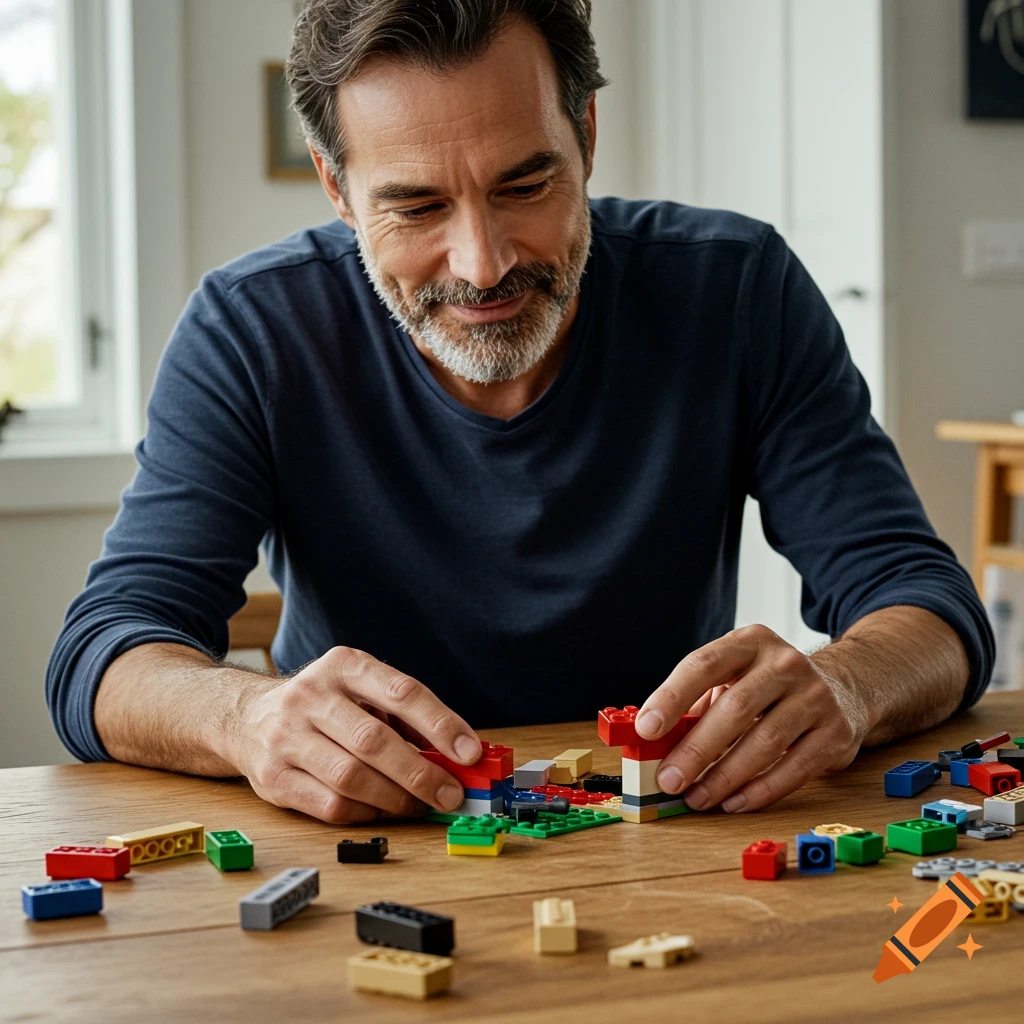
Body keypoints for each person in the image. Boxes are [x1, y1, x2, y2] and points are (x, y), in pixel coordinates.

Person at [47, 0, 992, 824]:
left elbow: (928, 604)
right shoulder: (250, 328)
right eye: (415, 207)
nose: (482, 262)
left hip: (666, 833)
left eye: (524, 185)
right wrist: (246, 718)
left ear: (585, 134)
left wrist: (846, 686)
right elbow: (103, 651)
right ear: (337, 189)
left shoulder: (739, 289)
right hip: (362, 850)